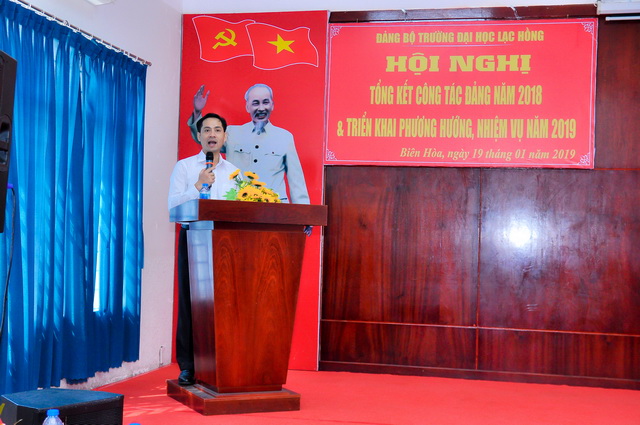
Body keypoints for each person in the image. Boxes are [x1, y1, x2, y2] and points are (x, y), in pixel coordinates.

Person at [168, 112, 239, 386]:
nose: (212, 134)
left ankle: (223, 363)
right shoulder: (184, 167)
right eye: (206, 130)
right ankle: (188, 366)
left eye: (217, 130)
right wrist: (198, 186)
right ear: (199, 136)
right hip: (193, 238)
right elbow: (173, 207)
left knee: (224, 304)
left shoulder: (234, 172)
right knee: (190, 303)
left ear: (224, 136)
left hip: (225, 241)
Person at [188, 83, 310, 205]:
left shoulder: (284, 137)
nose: (261, 108)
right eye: (255, 103)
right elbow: (205, 141)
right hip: (238, 205)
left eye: (265, 102)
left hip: (275, 207)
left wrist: (304, 212)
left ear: (272, 105)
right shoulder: (232, 133)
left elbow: (296, 180)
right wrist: (197, 112)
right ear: (247, 107)